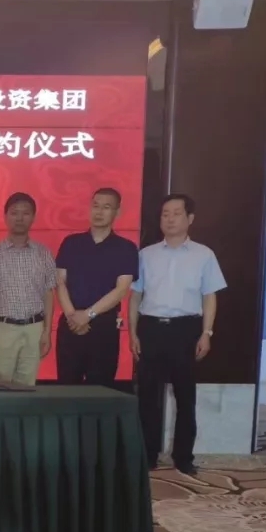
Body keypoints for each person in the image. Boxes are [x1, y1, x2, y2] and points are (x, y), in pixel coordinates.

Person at [130, 193, 226, 476]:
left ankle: (183, 457)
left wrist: (206, 333)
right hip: (150, 328)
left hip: (186, 330)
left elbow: (210, 296)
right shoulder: (145, 254)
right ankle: (147, 455)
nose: (170, 219)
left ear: (190, 218)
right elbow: (135, 296)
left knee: (186, 397)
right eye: (165, 214)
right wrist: (133, 333)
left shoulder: (204, 255)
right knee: (147, 397)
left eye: (176, 213)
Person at [54, 188, 139, 387]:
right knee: (66, 388)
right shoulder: (71, 243)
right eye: (95, 206)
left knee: (100, 389)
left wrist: (88, 315)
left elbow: (121, 289)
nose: (99, 212)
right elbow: (59, 282)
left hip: (104, 326)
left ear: (117, 212)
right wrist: (72, 316)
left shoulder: (126, 248)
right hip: (70, 323)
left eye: (106, 207)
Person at [0, 192, 56, 386]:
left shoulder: (44, 253)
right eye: (14, 213)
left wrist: (47, 331)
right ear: (5, 217)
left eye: (25, 213)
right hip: (0, 328)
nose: (20, 218)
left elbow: (48, 294)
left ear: (33, 217)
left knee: (27, 387)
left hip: (34, 328)